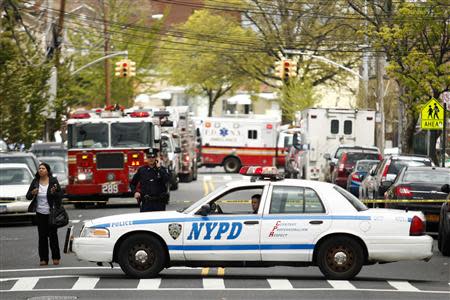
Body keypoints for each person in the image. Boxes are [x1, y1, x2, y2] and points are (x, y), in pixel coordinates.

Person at [26, 163, 63, 266]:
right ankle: (43, 259)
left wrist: (54, 192)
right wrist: (33, 193)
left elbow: (61, 195)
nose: (41, 170)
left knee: (53, 236)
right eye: (39, 168)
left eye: (43, 168)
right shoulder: (35, 182)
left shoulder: (53, 181)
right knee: (42, 237)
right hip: (40, 213)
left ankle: (56, 257)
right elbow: (28, 196)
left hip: (51, 213)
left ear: (47, 170)